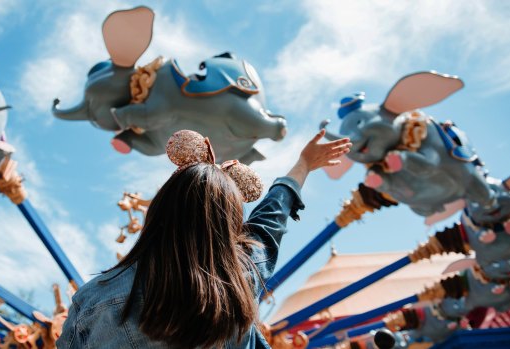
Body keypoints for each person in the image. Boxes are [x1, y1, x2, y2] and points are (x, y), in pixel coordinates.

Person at [57, 129, 351, 349]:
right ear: (230, 226)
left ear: (158, 211)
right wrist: (302, 165)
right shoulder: (240, 278)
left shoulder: (93, 298)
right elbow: (270, 218)